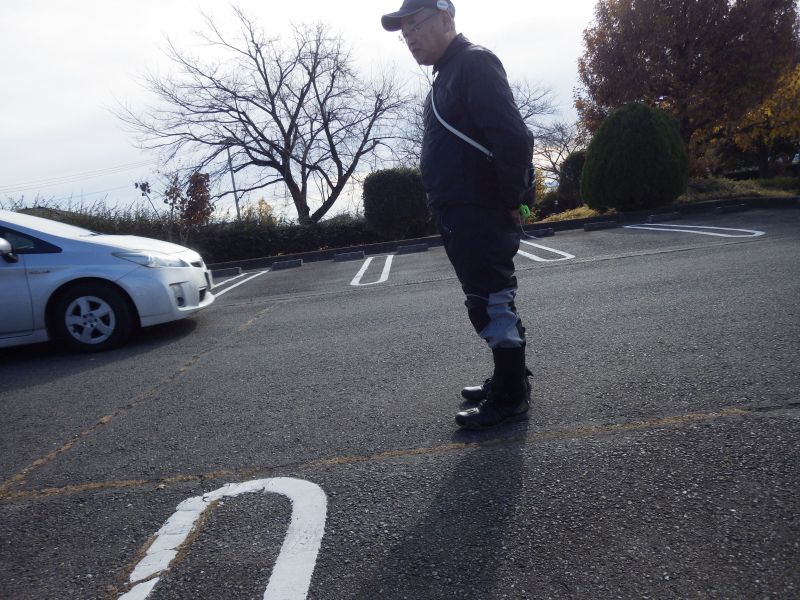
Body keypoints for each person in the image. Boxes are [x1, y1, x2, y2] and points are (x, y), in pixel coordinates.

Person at [382, 0, 534, 429]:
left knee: (491, 299)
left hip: (479, 209)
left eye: (415, 26)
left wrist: (515, 199)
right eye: (404, 33)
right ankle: (509, 378)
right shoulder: (448, 74)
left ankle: (511, 396)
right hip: (462, 211)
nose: (409, 38)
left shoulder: (474, 63)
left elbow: (513, 137)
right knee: (485, 297)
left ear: (446, 20)